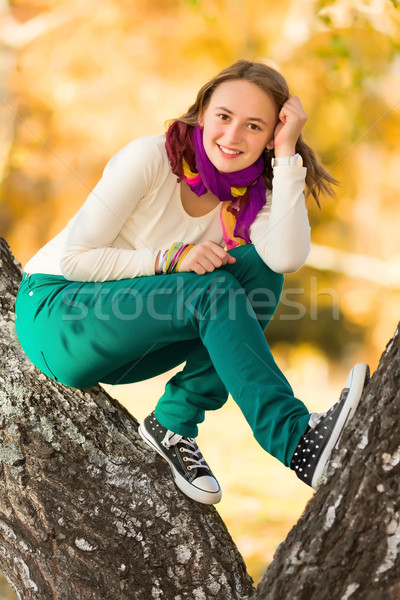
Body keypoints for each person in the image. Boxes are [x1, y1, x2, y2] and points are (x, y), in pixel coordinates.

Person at [14, 60, 369, 505]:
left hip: (131, 341)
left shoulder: (253, 196)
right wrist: (172, 258)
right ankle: (295, 440)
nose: (233, 136)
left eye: (254, 126)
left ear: (269, 137)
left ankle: (173, 423)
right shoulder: (150, 158)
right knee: (212, 290)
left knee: (259, 270)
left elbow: (287, 256)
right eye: (224, 117)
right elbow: (76, 259)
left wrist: (286, 154)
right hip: (57, 313)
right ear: (202, 114)